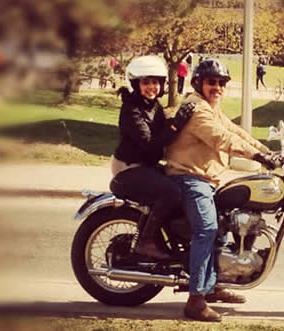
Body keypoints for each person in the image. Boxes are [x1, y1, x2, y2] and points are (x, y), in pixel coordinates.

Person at [164, 59, 274, 322]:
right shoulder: (197, 109)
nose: (217, 87)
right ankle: (196, 300)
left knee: (225, 223)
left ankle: (213, 286)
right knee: (207, 230)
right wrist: (258, 156)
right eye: (211, 82)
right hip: (189, 178)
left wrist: (268, 151)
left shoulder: (210, 106)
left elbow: (234, 130)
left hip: (207, 179)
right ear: (199, 83)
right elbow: (222, 138)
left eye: (221, 83)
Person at [109, 55, 181, 260]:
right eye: (146, 82)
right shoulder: (132, 110)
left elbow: (165, 126)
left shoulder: (153, 105)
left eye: (155, 82)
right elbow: (150, 145)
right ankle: (145, 241)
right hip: (128, 168)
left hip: (143, 165)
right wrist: (174, 127)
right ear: (136, 84)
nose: (152, 87)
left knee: (180, 181)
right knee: (171, 193)